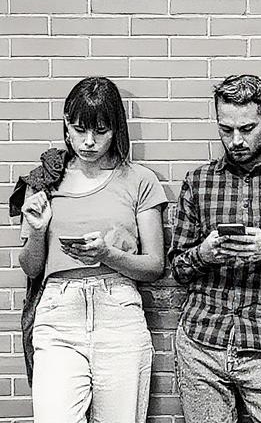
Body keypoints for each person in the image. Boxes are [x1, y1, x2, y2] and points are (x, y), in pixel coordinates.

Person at [168, 74, 261, 423]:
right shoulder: (198, 182)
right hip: (201, 342)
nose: (236, 140)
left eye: (247, 128)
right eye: (226, 130)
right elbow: (177, 267)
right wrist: (203, 254)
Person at [12, 76, 167, 422]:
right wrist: (37, 230)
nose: (89, 142)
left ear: (116, 129)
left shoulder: (139, 180)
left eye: (100, 131)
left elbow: (155, 265)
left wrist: (108, 255)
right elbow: (32, 268)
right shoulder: (45, 180)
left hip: (118, 312)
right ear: (66, 125)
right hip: (58, 314)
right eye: (79, 130)